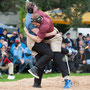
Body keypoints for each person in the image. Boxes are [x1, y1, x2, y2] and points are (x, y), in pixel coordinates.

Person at [24, 3, 72, 88]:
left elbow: (39, 38)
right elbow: (39, 38)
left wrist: (27, 33)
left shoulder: (43, 25)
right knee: (42, 59)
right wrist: (28, 33)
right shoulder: (33, 18)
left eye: (35, 24)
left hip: (53, 38)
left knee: (56, 57)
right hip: (43, 39)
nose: (34, 26)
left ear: (39, 22)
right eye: (35, 6)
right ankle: (37, 83)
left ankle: (67, 79)